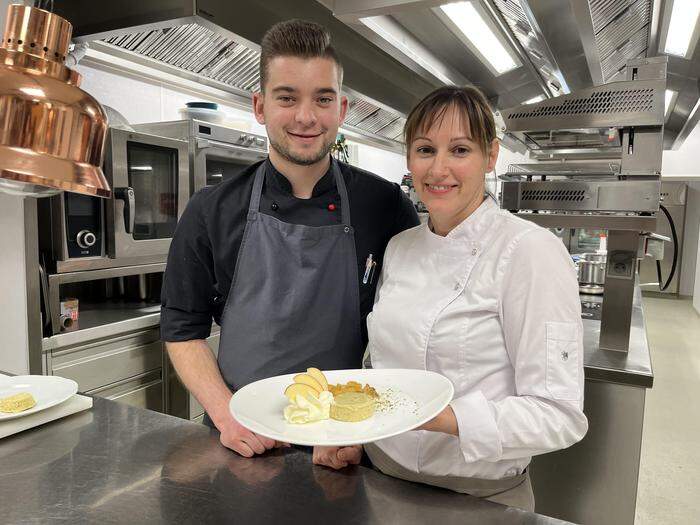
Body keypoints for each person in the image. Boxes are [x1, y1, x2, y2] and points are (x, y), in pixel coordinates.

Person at [314, 86, 588, 511]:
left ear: (491, 156)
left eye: (459, 149)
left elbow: (558, 415)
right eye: (425, 149)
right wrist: (364, 439)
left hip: (479, 498)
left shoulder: (529, 252)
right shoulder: (400, 247)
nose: (439, 168)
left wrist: (436, 417)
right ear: (409, 159)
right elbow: (385, 367)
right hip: (383, 478)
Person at [160, 20, 419, 459]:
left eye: (322, 98)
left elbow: (413, 329)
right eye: (287, 98)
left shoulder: (385, 205)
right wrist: (227, 416)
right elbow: (182, 329)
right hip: (240, 439)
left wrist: (364, 424)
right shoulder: (212, 209)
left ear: (342, 108)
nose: (305, 116)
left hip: (344, 443)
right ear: (260, 106)